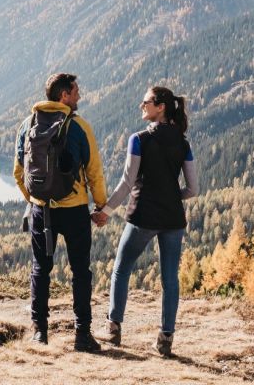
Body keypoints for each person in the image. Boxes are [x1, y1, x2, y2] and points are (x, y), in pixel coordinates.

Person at [92, 85, 198, 356]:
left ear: (160, 106)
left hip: (143, 216)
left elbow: (127, 182)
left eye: (146, 101)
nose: (142, 105)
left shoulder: (139, 139)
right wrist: (173, 197)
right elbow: (193, 189)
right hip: (173, 218)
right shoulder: (183, 143)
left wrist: (106, 211)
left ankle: (113, 329)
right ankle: (165, 340)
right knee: (170, 279)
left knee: (121, 268)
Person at [14, 73, 107, 352]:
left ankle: (39, 332)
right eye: (76, 91)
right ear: (64, 95)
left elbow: (19, 172)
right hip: (74, 209)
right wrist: (100, 205)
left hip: (42, 211)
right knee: (80, 271)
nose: (79, 96)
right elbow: (94, 173)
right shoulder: (79, 126)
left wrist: (34, 200)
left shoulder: (27, 125)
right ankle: (82, 335)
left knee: (40, 269)